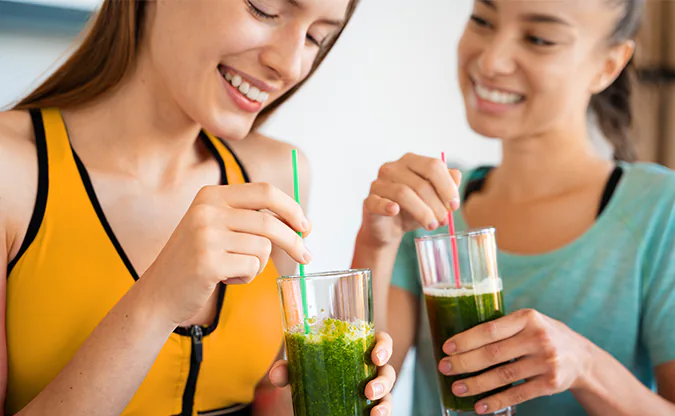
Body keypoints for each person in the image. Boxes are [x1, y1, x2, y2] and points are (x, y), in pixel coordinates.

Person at [0, 0, 395, 415]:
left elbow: (272, 399)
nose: (292, 65)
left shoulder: (276, 175)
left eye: (317, 37)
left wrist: (377, 248)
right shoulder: (12, 171)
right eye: (263, 9)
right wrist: (156, 302)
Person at [352, 0, 675, 415]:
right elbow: (355, 399)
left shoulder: (670, 212)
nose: (491, 60)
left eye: (539, 38)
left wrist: (585, 366)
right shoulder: (432, 207)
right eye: (482, 21)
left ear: (608, 65)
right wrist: (377, 241)